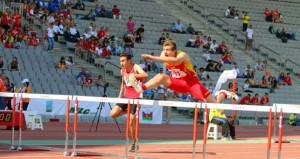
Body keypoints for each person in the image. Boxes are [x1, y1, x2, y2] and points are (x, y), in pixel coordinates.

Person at [128, 40, 217, 103]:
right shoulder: (164, 54)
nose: (165, 52)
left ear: (174, 51)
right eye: (164, 49)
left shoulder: (182, 55)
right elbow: (166, 58)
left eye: (168, 50)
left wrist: (152, 57)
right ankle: (141, 88)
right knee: (161, 76)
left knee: (211, 102)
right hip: (178, 83)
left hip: (192, 83)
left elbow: (175, 61)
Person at [110, 53, 148, 152]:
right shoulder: (122, 70)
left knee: (131, 121)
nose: (121, 63)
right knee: (113, 114)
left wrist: (132, 75)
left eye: (123, 61)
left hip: (136, 97)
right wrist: (119, 97)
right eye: (120, 61)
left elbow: (145, 75)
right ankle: (129, 111)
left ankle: (135, 144)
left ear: (129, 61)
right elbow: (123, 84)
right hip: (126, 97)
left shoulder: (135, 67)